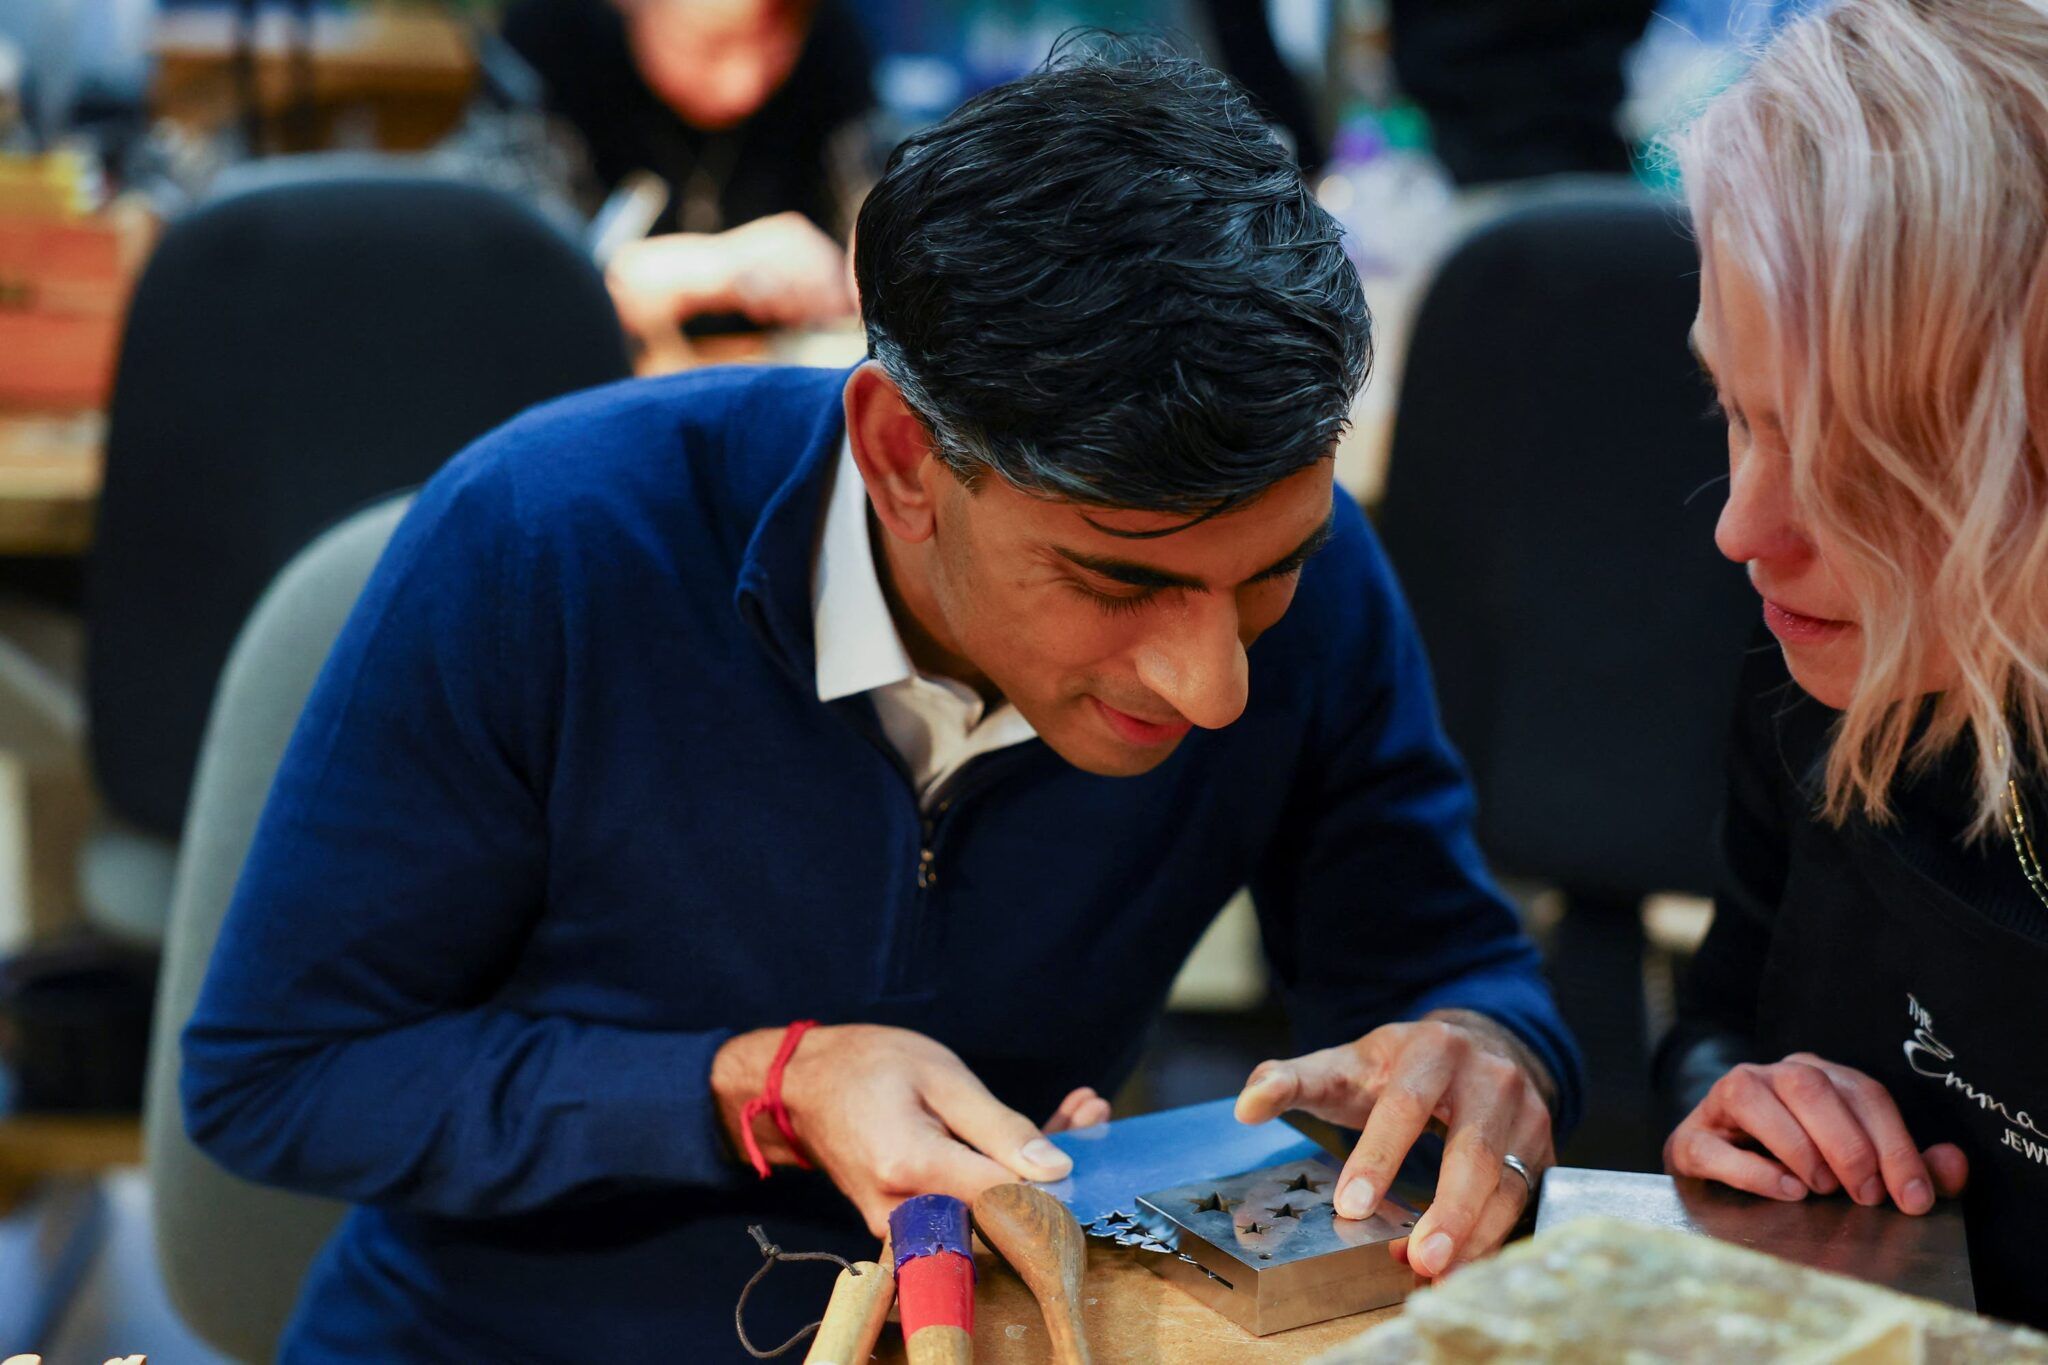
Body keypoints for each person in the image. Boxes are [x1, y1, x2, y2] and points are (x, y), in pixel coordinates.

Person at [183, 46, 1580, 1360]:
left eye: (1268, 572)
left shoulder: (1315, 596)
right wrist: (758, 1086)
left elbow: (1442, 966)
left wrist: (1482, 1051)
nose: (1214, 685)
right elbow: (281, 1071)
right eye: (1115, 584)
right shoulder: (546, 542)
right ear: (900, 453)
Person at [1658, 0, 2048, 1328]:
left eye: (1845, 465)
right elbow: (1718, 1009)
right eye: (1736, 414)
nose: (1740, 529)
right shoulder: (1820, 676)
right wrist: (1740, 1104)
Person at [502, 0, 872, 336]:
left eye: (777, 44)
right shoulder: (543, 50)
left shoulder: (830, 37)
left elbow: (872, 182)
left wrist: (877, 238)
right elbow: (528, 277)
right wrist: (716, 268)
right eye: (709, 47)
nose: (743, 85)